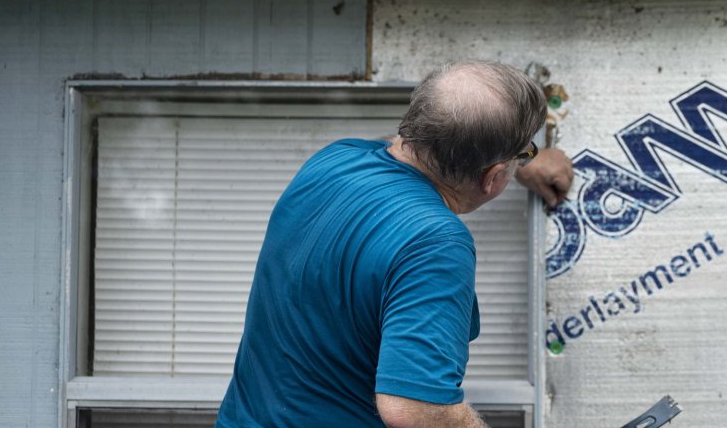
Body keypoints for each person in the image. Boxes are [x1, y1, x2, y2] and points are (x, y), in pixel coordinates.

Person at [216, 60, 573, 427]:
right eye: (521, 155)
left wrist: (516, 160)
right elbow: (414, 409)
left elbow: (411, 145)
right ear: (494, 178)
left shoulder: (334, 160)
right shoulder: (436, 242)